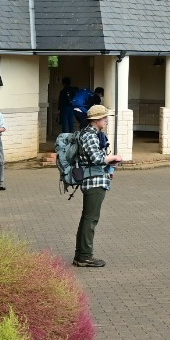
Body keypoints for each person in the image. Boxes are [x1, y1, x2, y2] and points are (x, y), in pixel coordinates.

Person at [73, 104, 126, 267]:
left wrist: (110, 162)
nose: (106, 121)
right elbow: (96, 159)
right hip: (94, 181)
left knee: (87, 218)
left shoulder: (93, 133)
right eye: (104, 118)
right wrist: (114, 157)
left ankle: (81, 255)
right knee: (91, 219)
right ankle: (85, 256)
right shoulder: (90, 135)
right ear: (96, 120)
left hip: (96, 178)